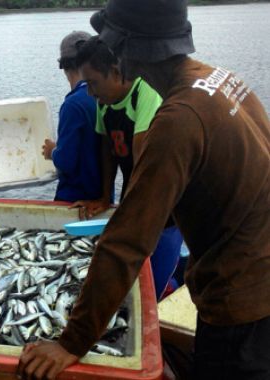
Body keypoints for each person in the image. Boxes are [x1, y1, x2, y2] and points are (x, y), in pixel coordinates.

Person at [18, 0, 270, 379]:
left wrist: (72, 341)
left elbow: (126, 242)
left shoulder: (177, 120)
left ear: (130, 49)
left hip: (241, 303)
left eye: (113, 44)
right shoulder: (220, 78)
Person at [72, 36, 183, 300]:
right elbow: (107, 150)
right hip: (133, 201)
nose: (90, 92)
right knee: (131, 283)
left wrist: (130, 221)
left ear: (115, 71)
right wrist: (104, 197)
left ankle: (168, 289)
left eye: (93, 83)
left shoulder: (145, 93)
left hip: (163, 211)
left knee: (149, 290)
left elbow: (142, 161)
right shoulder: (104, 102)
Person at [41, 31, 102, 203]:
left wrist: (52, 151)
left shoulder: (72, 105)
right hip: (101, 198)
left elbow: (66, 161)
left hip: (73, 200)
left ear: (64, 68)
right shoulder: (104, 96)